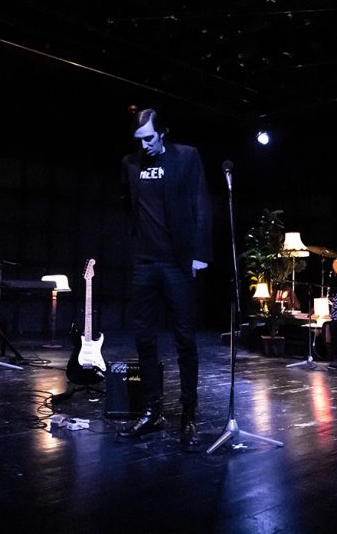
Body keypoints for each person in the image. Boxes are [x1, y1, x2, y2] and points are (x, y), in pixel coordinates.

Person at [117, 108, 213, 451]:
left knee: (185, 338)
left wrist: (200, 252)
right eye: (139, 140)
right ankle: (151, 411)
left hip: (177, 261)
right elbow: (128, 203)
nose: (144, 146)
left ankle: (188, 414)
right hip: (144, 261)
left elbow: (201, 203)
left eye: (149, 139)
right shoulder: (130, 163)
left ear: (162, 133)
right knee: (144, 337)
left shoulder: (186, 157)